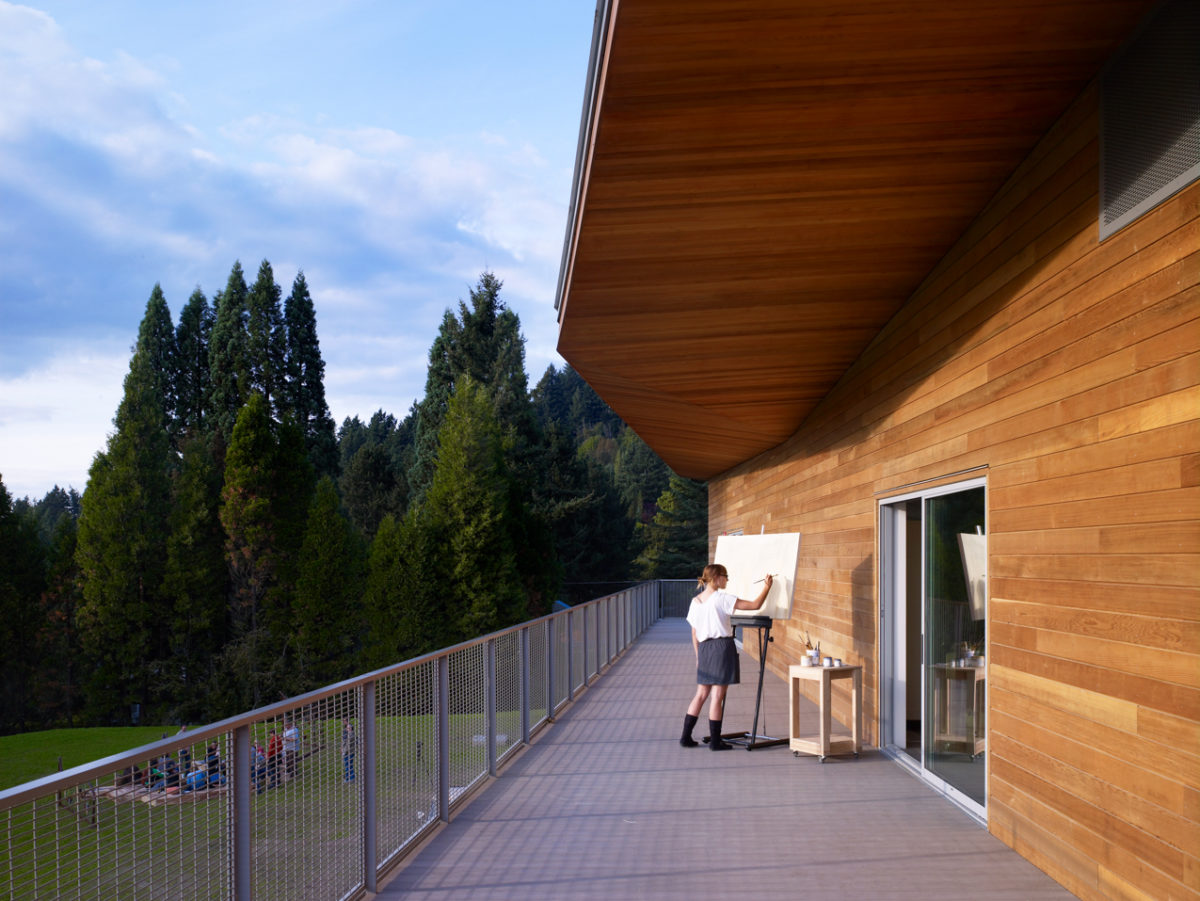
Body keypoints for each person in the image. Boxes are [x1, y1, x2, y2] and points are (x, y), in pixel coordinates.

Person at [681, 564, 773, 750]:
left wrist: (698, 656)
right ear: (716, 578)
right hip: (721, 648)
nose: (727, 579)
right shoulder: (722, 599)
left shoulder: (696, 601)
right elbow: (755, 605)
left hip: (704, 649)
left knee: (701, 694)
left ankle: (685, 737)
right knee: (717, 696)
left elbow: (694, 633)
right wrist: (767, 587)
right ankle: (715, 742)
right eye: (725, 576)